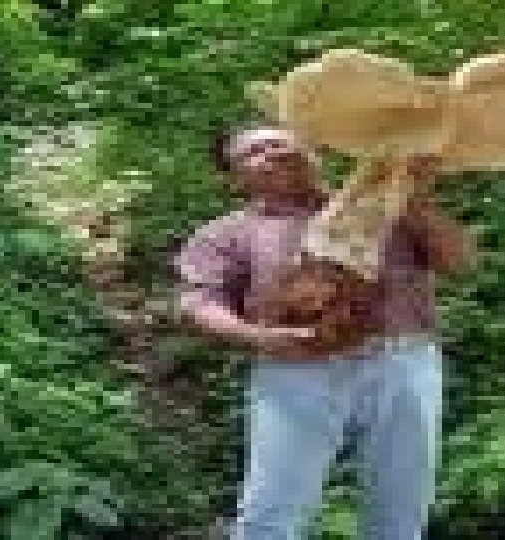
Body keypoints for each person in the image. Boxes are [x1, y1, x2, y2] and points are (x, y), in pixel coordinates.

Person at [174, 124, 476, 539]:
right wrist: (259, 337)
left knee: (403, 506)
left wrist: (416, 202)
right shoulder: (227, 233)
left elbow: (460, 262)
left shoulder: (383, 206)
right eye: (255, 151)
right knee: (272, 509)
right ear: (235, 179)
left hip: (403, 362)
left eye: (283, 141)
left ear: (314, 152)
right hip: (295, 372)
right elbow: (197, 303)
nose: (275, 151)